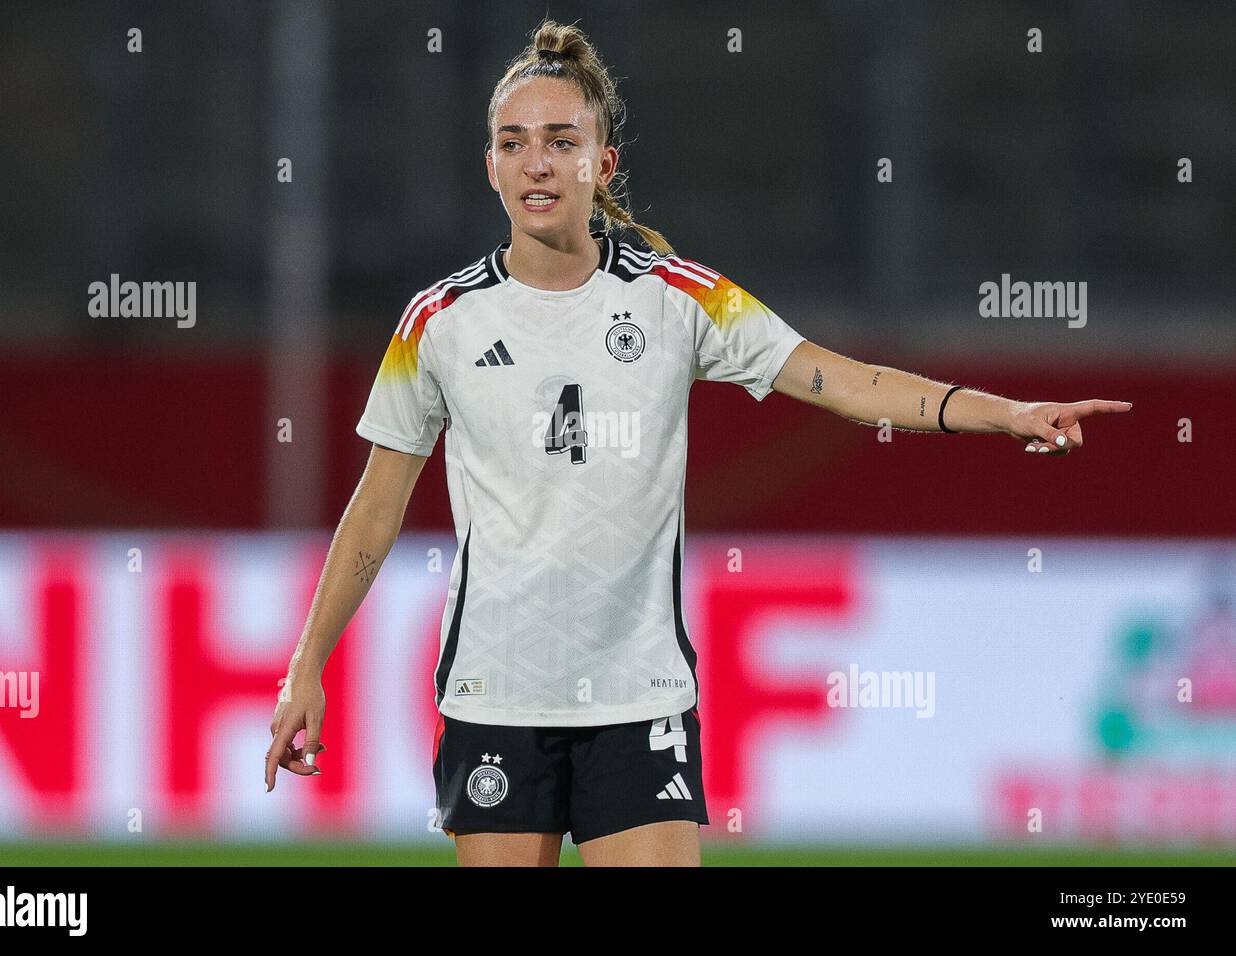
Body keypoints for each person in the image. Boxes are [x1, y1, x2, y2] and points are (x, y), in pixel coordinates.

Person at [265, 19, 1132, 866]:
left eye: (561, 140)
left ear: (600, 164)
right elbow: (376, 508)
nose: (537, 161)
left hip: (640, 699)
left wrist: (1003, 412)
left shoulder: (679, 298)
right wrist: (306, 667)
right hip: (496, 696)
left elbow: (844, 381)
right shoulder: (438, 322)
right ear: (489, 164)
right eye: (514, 141)